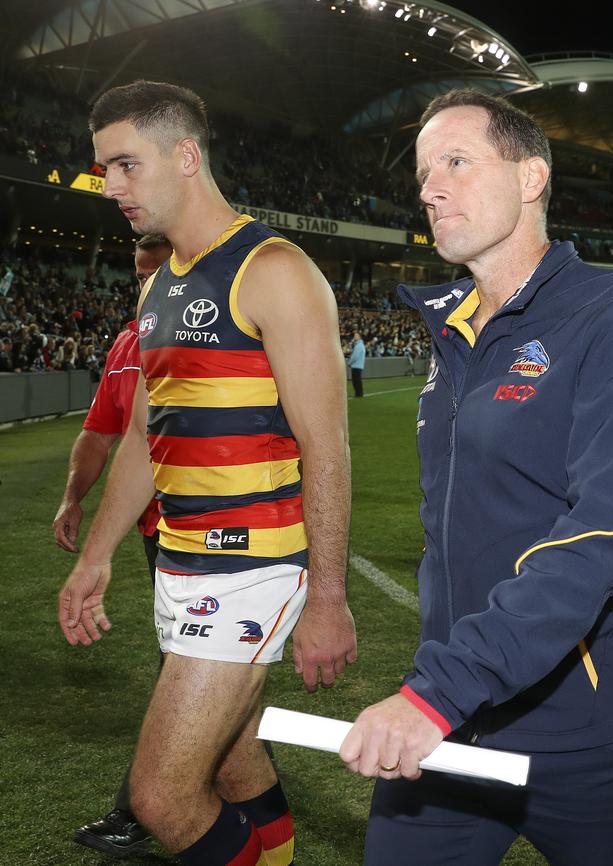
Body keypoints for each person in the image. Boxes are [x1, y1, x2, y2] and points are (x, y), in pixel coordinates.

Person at [340, 88, 613, 865]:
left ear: (531, 178)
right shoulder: (452, 335)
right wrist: (445, 687)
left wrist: (439, 689)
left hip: (589, 737)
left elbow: (603, 533)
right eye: (422, 172)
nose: (429, 187)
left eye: (456, 162)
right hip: (454, 721)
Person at [57, 79, 356, 866]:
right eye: (101, 168)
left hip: (253, 564)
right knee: (229, 759)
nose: (108, 185)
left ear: (185, 156)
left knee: (159, 796)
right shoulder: (160, 284)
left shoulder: (274, 269)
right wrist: (96, 554)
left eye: (124, 165)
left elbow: (327, 448)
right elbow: (146, 435)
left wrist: (327, 597)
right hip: (182, 560)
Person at [52, 232, 172, 858]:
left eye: (160, 268)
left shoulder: (210, 331)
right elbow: (102, 435)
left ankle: (143, 808)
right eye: (140, 270)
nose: (148, 281)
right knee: (193, 672)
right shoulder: (129, 341)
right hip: (157, 533)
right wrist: (74, 497)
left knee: (182, 673)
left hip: (214, 530)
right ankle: (233, 800)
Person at [348, 331, 365, 397]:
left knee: (356, 381)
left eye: (356, 335)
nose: (354, 337)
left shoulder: (358, 346)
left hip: (356, 366)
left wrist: (349, 362)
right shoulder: (360, 345)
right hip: (359, 365)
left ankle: (358, 394)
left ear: (359, 337)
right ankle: (359, 393)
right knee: (358, 381)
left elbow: (355, 356)